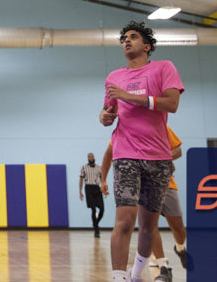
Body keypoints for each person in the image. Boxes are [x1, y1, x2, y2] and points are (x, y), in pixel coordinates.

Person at [100, 21, 183, 282]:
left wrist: (130, 96)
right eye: (124, 38)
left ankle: (136, 275)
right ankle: (119, 277)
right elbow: (108, 111)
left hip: (158, 157)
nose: (126, 40)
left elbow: (172, 103)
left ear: (146, 46)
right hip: (125, 154)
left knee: (148, 226)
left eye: (133, 37)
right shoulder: (114, 77)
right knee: (124, 220)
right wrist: (104, 117)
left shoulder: (164, 68)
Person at [101, 126, 191, 282]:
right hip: (138, 184)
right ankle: (162, 265)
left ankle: (180, 248)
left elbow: (178, 150)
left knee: (178, 226)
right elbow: (109, 153)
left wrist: (159, 159)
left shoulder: (160, 125)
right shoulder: (125, 127)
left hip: (164, 182)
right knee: (148, 225)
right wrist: (103, 180)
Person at [80, 151, 105, 237]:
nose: (91, 158)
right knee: (93, 209)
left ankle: (95, 224)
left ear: (94, 157)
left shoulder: (99, 167)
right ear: (88, 158)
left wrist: (104, 189)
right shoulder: (84, 167)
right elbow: (81, 179)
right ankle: (96, 230)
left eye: (92, 156)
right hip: (88, 188)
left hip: (97, 188)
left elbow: (103, 179)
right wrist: (80, 191)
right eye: (89, 157)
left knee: (102, 209)